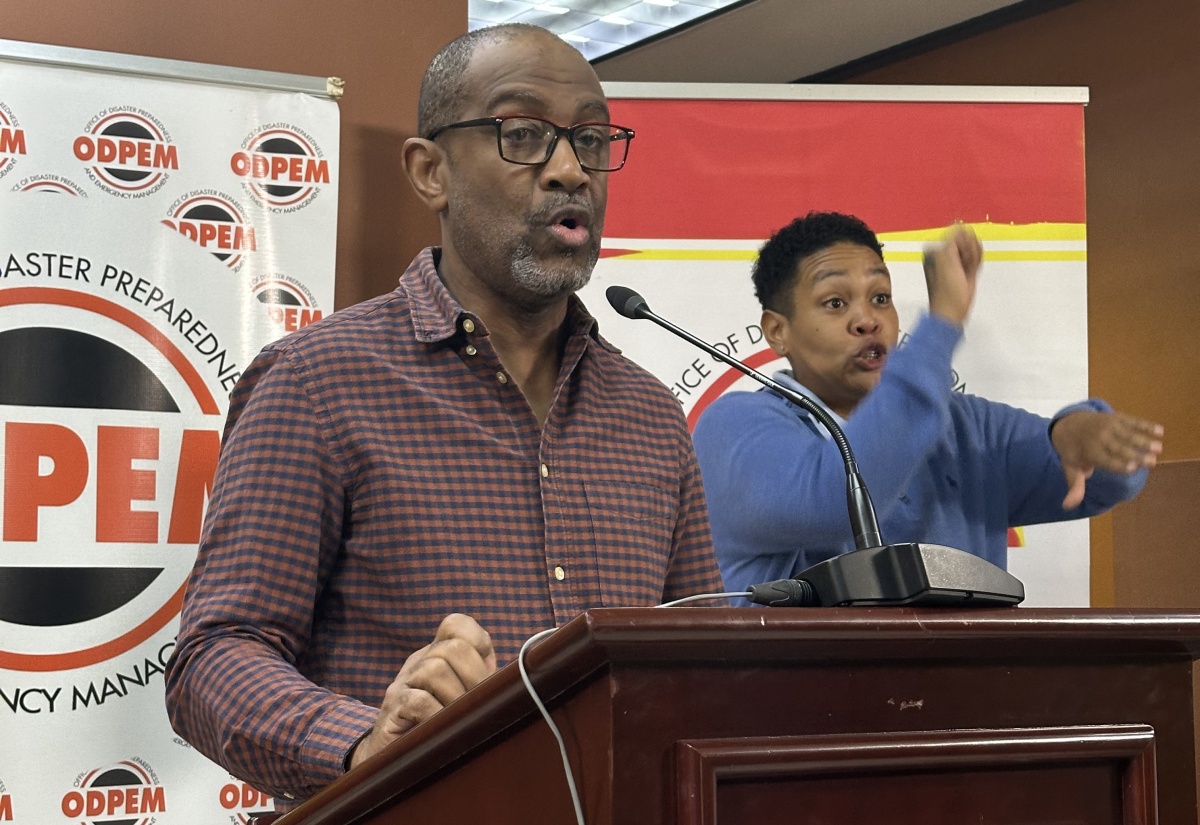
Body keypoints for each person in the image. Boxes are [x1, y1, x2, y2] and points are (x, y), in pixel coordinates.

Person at [164, 23, 722, 814]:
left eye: (592, 139)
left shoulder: (652, 416)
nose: (570, 169)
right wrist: (365, 740)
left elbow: (700, 667)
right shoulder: (318, 383)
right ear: (432, 173)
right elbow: (215, 656)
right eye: (523, 133)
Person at [691, 211, 1163, 593]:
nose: (866, 320)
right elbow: (837, 499)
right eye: (835, 303)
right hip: (794, 706)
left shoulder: (966, 426)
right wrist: (942, 325)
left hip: (961, 702)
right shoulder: (733, 428)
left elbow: (1107, 485)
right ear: (777, 331)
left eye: (881, 297)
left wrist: (1078, 433)